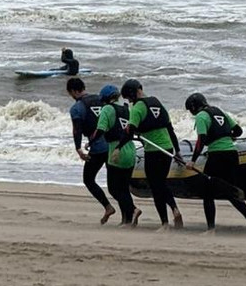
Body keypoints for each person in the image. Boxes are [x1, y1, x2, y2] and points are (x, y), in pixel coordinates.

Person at [183, 92, 246, 234]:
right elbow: (238, 130)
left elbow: (201, 140)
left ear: (193, 107)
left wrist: (192, 161)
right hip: (232, 154)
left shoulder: (201, 116)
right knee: (230, 190)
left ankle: (211, 229)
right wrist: (228, 136)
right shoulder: (219, 112)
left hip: (217, 156)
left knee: (207, 193)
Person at [120, 78, 184, 230]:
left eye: (129, 98)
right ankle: (175, 209)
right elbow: (170, 129)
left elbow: (129, 132)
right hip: (167, 148)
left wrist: (119, 147)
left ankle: (165, 223)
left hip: (153, 151)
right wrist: (178, 152)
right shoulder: (157, 103)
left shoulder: (137, 108)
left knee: (156, 187)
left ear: (132, 94)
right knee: (161, 182)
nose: (129, 101)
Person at [88, 85, 141, 227]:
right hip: (130, 150)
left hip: (116, 151)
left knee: (114, 188)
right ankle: (126, 220)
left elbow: (100, 130)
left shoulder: (107, 109)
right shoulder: (126, 108)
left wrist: (90, 143)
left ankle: (133, 209)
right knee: (124, 188)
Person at [66, 77, 115, 224]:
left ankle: (108, 207)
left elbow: (77, 131)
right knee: (115, 184)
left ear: (74, 91)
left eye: (70, 93)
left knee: (88, 179)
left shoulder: (77, 108)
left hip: (98, 148)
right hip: (113, 145)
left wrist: (78, 149)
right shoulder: (101, 99)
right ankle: (130, 211)